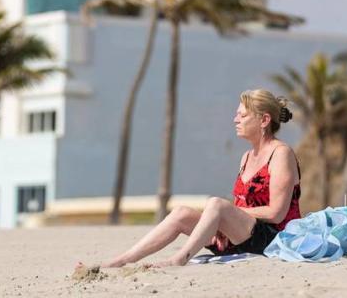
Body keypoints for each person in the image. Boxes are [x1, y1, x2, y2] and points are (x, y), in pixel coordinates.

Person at [101, 89, 302, 267]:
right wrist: (223, 223)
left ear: (264, 120)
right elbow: (242, 208)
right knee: (181, 213)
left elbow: (276, 213)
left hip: (273, 238)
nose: (235, 120)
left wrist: (222, 215)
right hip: (240, 238)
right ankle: (123, 260)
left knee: (216, 204)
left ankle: (179, 259)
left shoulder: (281, 154)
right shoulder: (246, 157)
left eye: (242, 115)